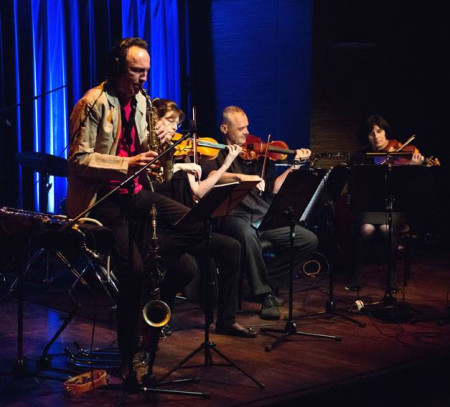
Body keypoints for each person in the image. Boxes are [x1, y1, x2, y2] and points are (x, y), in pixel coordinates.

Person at [66, 38, 237, 384]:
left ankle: (149, 271)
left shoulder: (144, 101)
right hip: (105, 198)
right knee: (135, 274)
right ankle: (130, 357)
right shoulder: (93, 101)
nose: (143, 79)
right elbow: (78, 159)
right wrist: (125, 163)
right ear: (116, 68)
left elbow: (155, 160)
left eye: (146, 72)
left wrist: (164, 139)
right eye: (135, 71)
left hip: (139, 194)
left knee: (195, 226)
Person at [151, 98, 259, 338]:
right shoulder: (149, 153)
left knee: (231, 247)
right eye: (169, 122)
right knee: (183, 266)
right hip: (165, 228)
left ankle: (226, 320)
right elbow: (151, 184)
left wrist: (227, 163)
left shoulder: (180, 154)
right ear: (153, 122)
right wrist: (178, 169)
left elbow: (199, 191)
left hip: (188, 225)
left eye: (176, 124)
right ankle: (159, 316)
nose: (173, 129)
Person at [200, 105, 318, 320]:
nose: (247, 132)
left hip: (262, 216)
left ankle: (265, 280)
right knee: (246, 234)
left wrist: (295, 166)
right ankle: (265, 295)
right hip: (232, 217)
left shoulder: (257, 156)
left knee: (308, 239)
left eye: (248, 127)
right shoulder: (213, 155)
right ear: (225, 129)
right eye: (241, 128)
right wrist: (244, 178)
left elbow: (274, 188)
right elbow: (214, 176)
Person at [346, 114, 425, 292]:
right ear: (366, 137)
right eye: (371, 133)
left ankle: (392, 276)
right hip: (368, 207)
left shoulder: (403, 152)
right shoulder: (359, 157)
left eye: (379, 131)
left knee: (386, 228)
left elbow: (412, 191)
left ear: (385, 132)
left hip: (394, 208)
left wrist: (411, 168)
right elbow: (355, 188)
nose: (376, 136)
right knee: (366, 228)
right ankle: (356, 275)